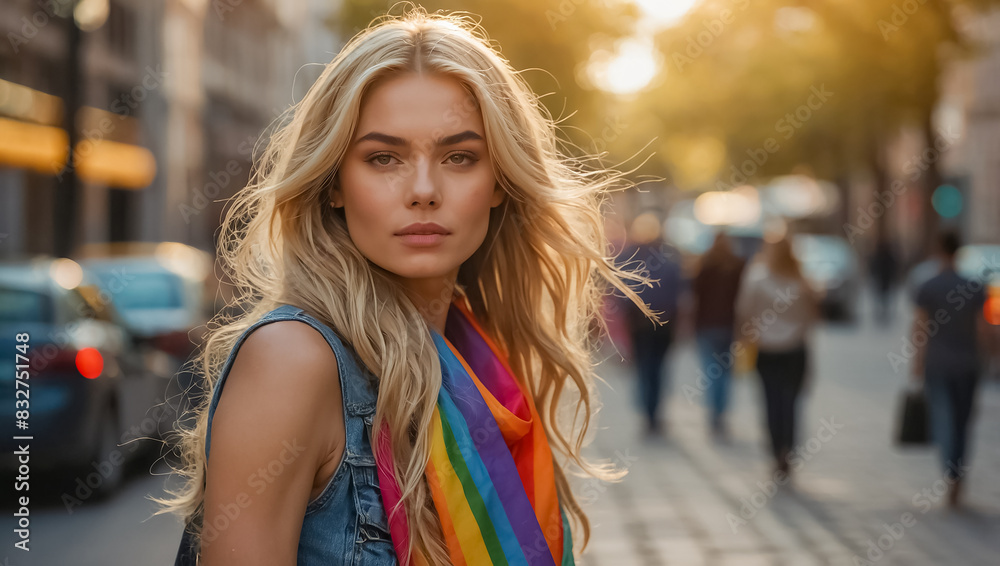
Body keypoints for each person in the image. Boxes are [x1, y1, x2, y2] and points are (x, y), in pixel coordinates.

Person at [154, 10, 656, 566]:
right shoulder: (293, 360)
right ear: (334, 185)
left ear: (499, 182)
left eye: (459, 156)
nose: (423, 190)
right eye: (383, 158)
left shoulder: (483, 360)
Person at [911, 231, 987, 508]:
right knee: (963, 422)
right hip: (968, 364)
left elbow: (919, 328)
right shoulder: (974, 286)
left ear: (937, 250)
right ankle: (958, 473)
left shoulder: (928, 286)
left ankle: (950, 472)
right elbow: (982, 329)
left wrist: (917, 362)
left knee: (944, 418)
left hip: (937, 363)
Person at [736, 234, 819, 476]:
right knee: (791, 402)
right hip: (795, 348)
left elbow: (744, 311)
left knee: (770, 401)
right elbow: (811, 317)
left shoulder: (756, 277)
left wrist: (748, 336)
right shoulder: (802, 280)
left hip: (766, 348)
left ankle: (776, 450)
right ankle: (788, 449)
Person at [618, 211, 682, 437]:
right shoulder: (667, 257)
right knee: (657, 369)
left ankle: (648, 411)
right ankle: (652, 411)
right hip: (663, 324)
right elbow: (677, 292)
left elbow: (620, 292)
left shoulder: (629, 257)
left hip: (639, 324)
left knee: (645, 368)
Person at [692, 232, 746, 439]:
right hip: (728, 325)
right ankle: (720, 412)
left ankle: (715, 413)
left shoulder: (704, 264)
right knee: (725, 372)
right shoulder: (738, 265)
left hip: (707, 325)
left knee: (710, 371)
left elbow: (695, 296)